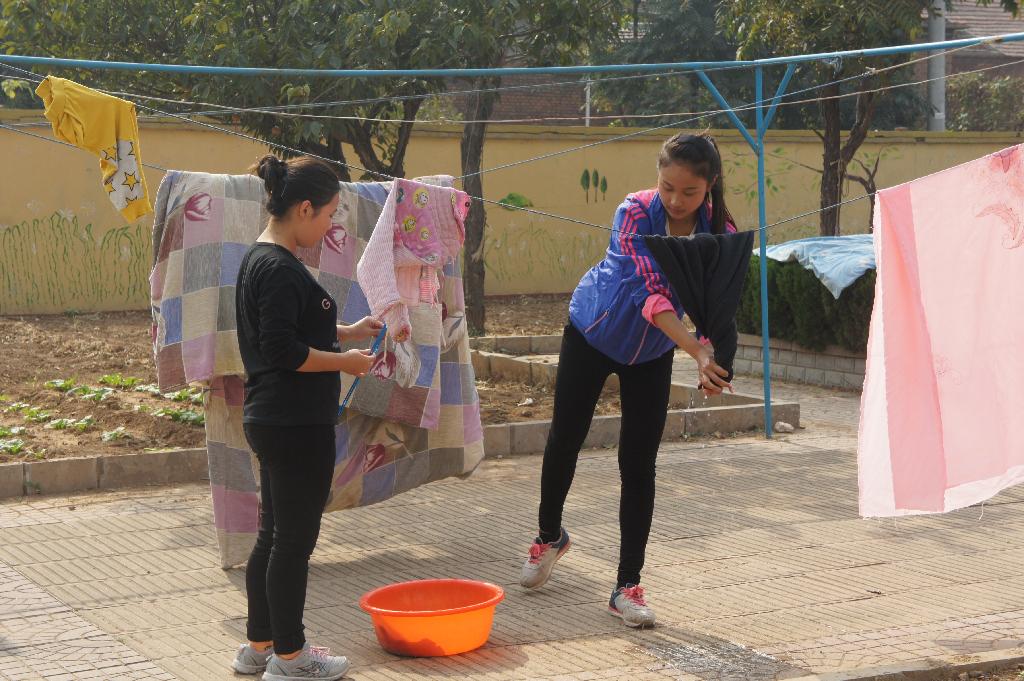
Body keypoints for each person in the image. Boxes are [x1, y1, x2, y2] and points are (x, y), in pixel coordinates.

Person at [519, 133, 737, 628]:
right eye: (667, 187)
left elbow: (718, 303)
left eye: (689, 192)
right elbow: (649, 292)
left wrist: (714, 362)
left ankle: (627, 586)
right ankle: (550, 536)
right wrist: (695, 350)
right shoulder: (634, 212)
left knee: (638, 464)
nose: (676, 200)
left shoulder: (718, 229)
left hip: (652, 352)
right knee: (565, 437)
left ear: (710, 186)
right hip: (593, 332)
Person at [230, 155, 380, 680]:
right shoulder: (277, 267)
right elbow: (284, 350)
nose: (331, 226)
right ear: (304, 208)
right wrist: (346, 362)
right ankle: (291, 657)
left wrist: (348, 333)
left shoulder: (261, 258)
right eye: (330, 214)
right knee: (292, 544)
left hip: (274, 419)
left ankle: (260, 646)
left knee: (273, 536)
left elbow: (290, 328)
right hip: (293, 423)